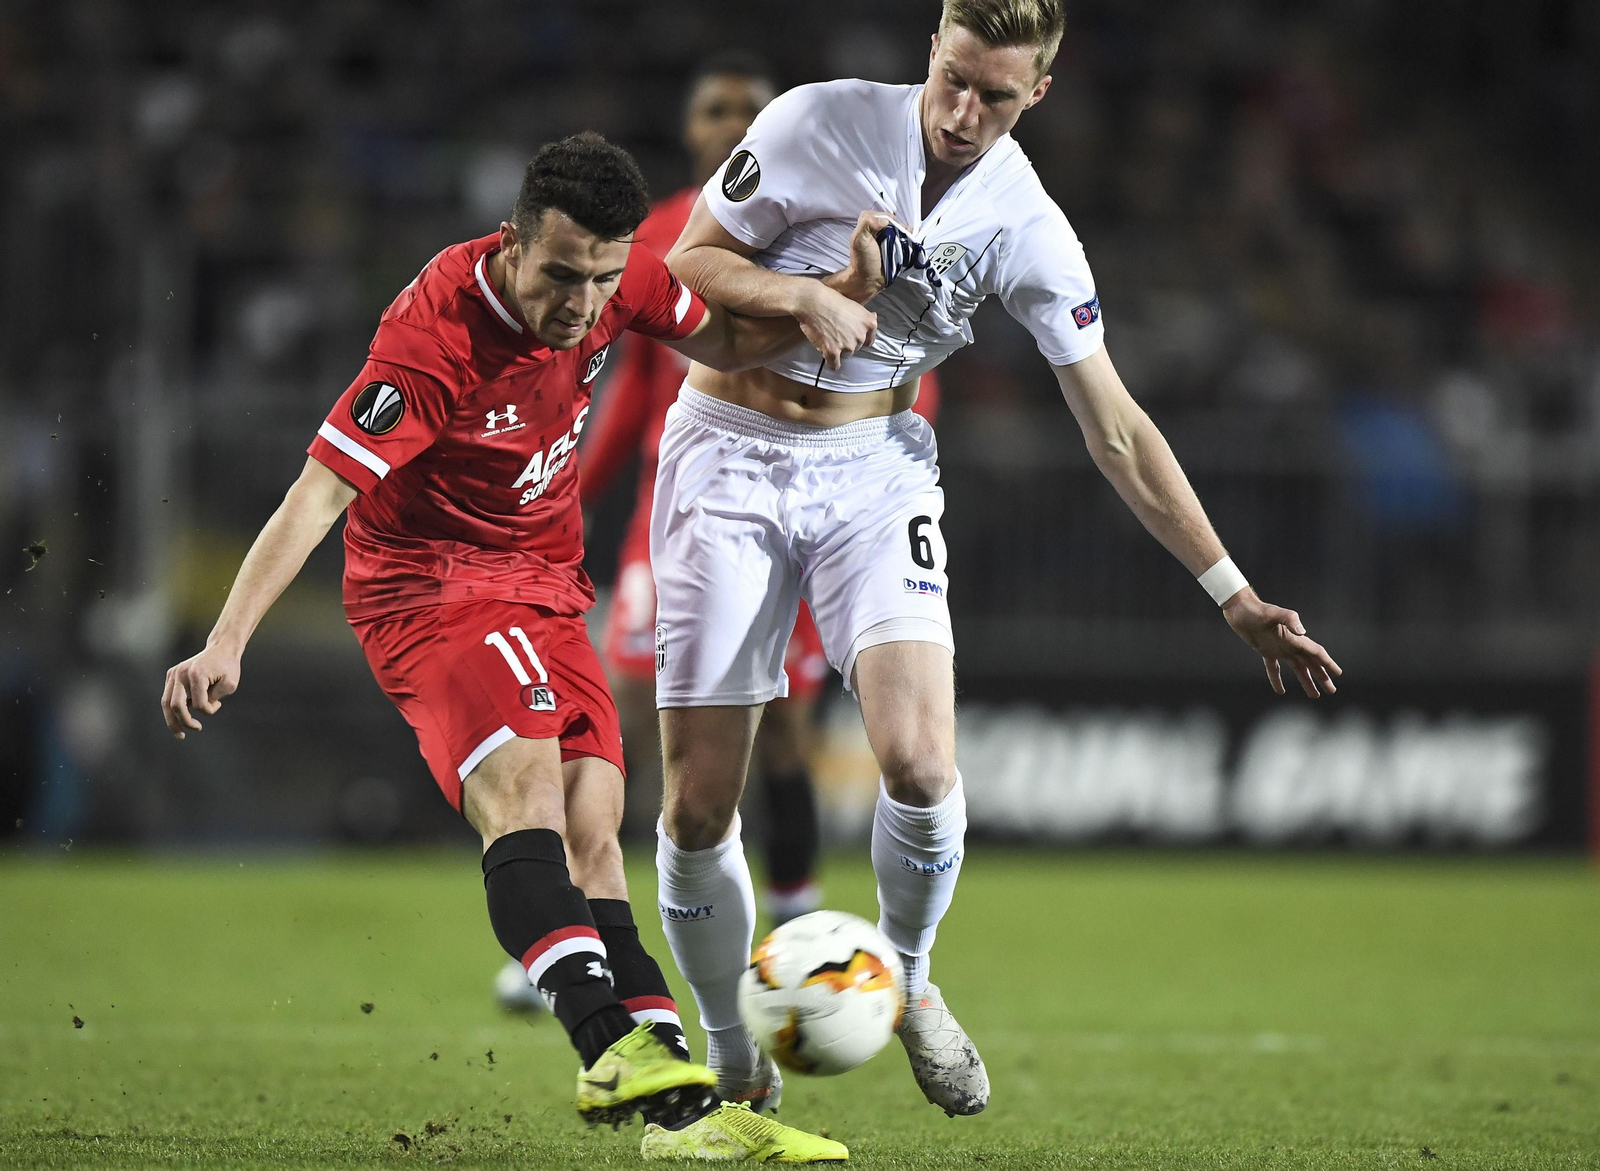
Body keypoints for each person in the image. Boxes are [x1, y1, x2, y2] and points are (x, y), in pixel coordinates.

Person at [651, 0, 1343, 1122]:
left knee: (921, 766)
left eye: (997, 96)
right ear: (931, 48)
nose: (964, 114)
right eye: (955, 80)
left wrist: (1234, 593)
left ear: (1040, 96)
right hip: (726, 455)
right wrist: (806, 293)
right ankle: (734, 1058)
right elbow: (684, 270)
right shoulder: (812, 123)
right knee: (693, 806)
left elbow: (1115, 428)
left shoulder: (1030, 229)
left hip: (875, 466)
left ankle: (911, 980)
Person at [159, 132, 863, 1163]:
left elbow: (718, 340)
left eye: (603, 279)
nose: (582, 303)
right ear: (512, 243)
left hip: (544, 581)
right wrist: (226, 641)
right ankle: (605, 1048)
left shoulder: (615, 282)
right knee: (526, 793)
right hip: (430, 586)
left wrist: (816, 300)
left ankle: (689, 1124)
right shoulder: (432, 335)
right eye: (562, 275)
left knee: (595, 826)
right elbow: (319, 492)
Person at [578, 52, 943, 936]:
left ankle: (794, 921)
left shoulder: (833, 207)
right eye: (716, 109)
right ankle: (597, 914)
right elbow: (633, 382)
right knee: (638, 717)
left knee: (780, 732)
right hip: (688, 498)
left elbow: (905, 359)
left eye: (752, 109)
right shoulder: (663, 231)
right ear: (691, 128)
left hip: (817, 498)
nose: (734, 123)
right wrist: (575, 493)